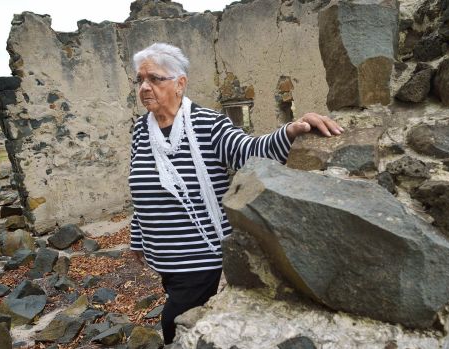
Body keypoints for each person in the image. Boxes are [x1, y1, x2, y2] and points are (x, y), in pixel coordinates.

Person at [128, 42, 342, 345]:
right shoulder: (142, 130)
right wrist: (139, 237)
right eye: (140, 80)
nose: (144, 87)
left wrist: (292, 130)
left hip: (201, 259)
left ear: (180, 84)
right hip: (165, 260)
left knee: (174, 326)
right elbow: (140, 186)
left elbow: (249, 152)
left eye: (154, 78)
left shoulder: (208, 124)